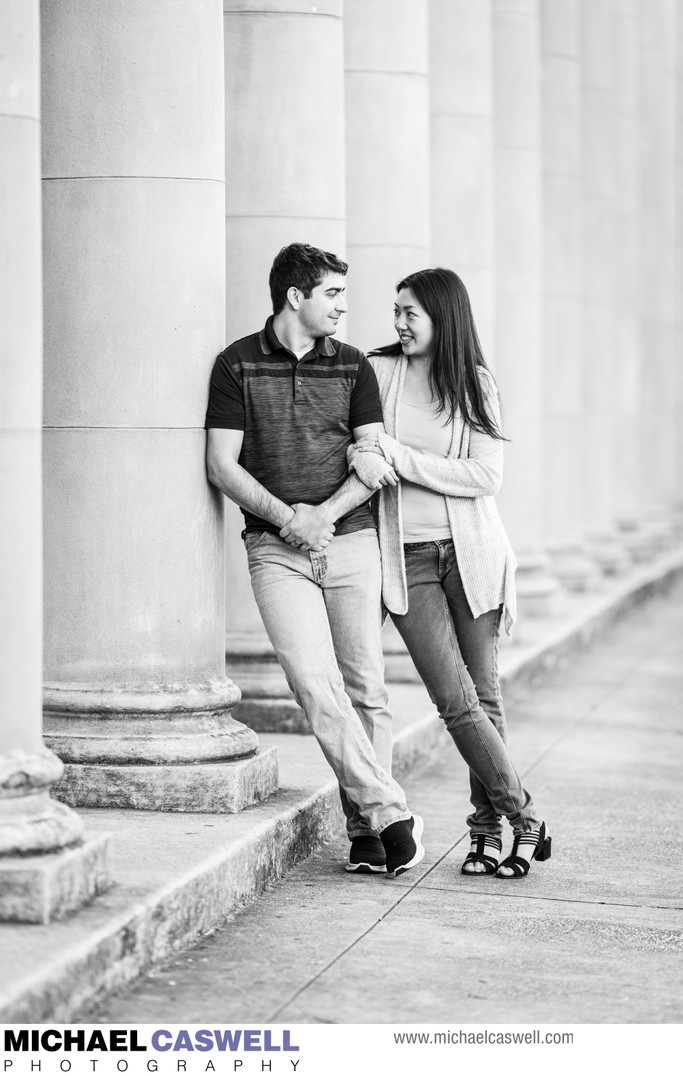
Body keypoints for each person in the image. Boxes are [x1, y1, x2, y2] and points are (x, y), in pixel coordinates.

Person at [205, 242, 424, 878]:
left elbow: (374, 460)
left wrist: (321, 517)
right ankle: (386, 807)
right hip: (275, 552)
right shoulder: (236, 364)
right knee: (315, 683)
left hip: (351, 542)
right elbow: (222, 465)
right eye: (331, 294)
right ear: (295, 297)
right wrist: (287, 518)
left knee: (366, 689)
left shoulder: (353, 366)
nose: (343, 307)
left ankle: (367, 833)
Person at [348, 267, 551, 879]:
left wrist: (400, 458)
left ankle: (485, 835)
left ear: (443, 316)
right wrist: (367, 451)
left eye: (410, 312)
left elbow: (484, 477)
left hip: (471, 555)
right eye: (396, 311)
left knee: (484, 697)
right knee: (455, 700)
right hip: (406, 559)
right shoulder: (378, 372)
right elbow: (357, 444)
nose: (399, 322)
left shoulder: (475, 384)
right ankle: (525, 815)